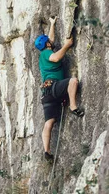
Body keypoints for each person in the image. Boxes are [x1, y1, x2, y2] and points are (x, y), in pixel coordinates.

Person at [35, 16, 84, 164]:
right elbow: (56, 58)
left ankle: (47, 151)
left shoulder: (43, 53)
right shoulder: (47, 54)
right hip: (54, 87)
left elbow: (50, 39)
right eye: (49, 42)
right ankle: (74, 107)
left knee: (49, 122)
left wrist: (52, 24)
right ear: (47, 45)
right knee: (73, 81)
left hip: (47, 94)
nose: (51, 41)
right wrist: (67, 45)